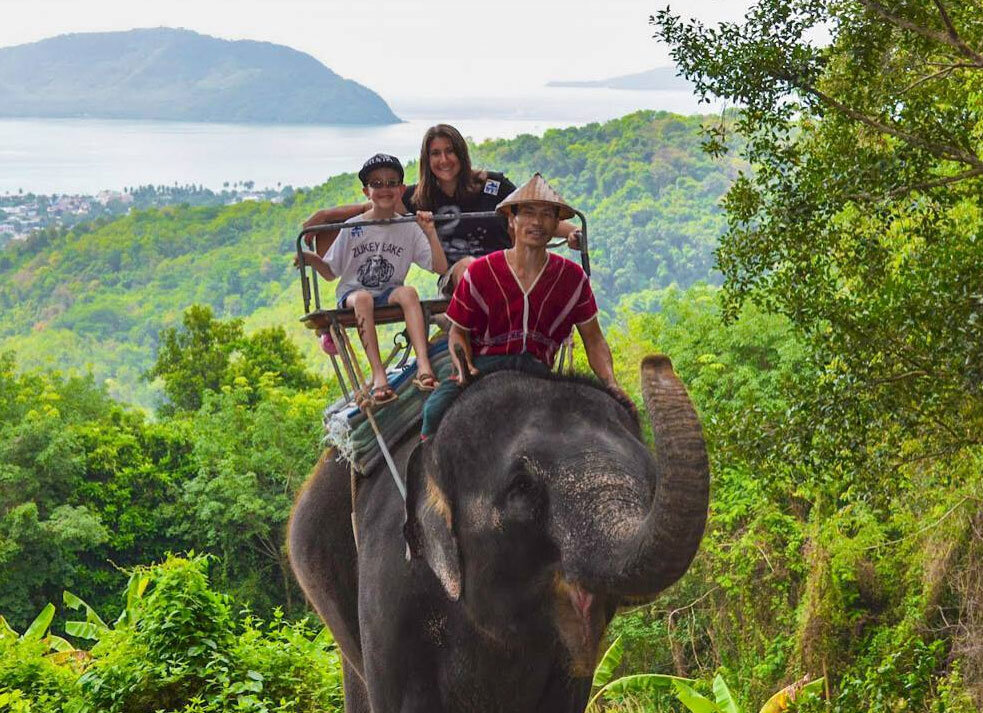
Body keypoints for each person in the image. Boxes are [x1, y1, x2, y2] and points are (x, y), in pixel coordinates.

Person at [420, 173, 622, 437]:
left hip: (539, 371)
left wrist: (611, 383)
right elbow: (458, 331)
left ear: (555, 223)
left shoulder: (572, 278)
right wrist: (464, 367)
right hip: (485, 367)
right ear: (511, 220)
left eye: (547, 214)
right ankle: (433, 478)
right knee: (434, 410)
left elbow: (594, 340)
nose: (537, 222)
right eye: (527, 212)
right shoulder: (481, 272)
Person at [302, 124, 583, 298]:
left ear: (461, 154)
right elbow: (374, 206)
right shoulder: (418, 197)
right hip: (457, 282)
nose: (444, 159)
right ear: (427, 159)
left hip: (509, 271)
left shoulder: (492, 186)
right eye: (435, 153)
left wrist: (573, 233)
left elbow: (533, 216)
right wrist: (325, 217)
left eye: (450, 151)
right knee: (466, 267)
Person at [298, 153, 448, 407]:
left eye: (391, 183)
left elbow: (440, 267)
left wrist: (430, 232)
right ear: (366, 192)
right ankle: (379, 375)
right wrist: (311, 259)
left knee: (408, 292)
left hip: (389, 290)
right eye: (376, 184)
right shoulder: (352, 227)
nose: (384, 189)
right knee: (364, 298)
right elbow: (330, 272)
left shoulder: (408, 226)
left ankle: (424, 364)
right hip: (354, 294)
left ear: (401, 189)